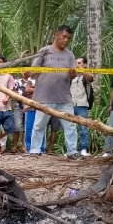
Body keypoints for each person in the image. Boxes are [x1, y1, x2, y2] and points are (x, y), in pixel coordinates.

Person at [29, 25, 79, 160]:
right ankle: (34, 150)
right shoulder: (45, 51)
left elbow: (71, 76)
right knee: (39, 124)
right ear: (56, 35)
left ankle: (72, 151)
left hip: (64, 97)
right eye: (64, 36)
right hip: (44, 97)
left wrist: (72, 74)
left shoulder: (70, 55)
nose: (66, 40)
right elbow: (33, 71)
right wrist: (30, 72)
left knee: (70, 125)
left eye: (68, 38)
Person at [70, 56, 94, 156]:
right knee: (70, 128)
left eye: (79, 63)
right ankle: (72, 149)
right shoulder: (72, 76)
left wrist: (81, 69)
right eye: (76, 63)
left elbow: (91, 77)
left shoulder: (85, 76)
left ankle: (84, 149)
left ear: (84, 64)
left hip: (82, 105)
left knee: (83, 129)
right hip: (71, 105)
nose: (77, 65)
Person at [11, 71, 30, 153]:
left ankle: (24, 146)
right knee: (17, 127)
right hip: (18, 106)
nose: (25, 72)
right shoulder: (16, 81)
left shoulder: (32, 81)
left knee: (26, 128)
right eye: (23, 71)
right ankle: (14, 146)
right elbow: (13, 92)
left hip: (29, 107)